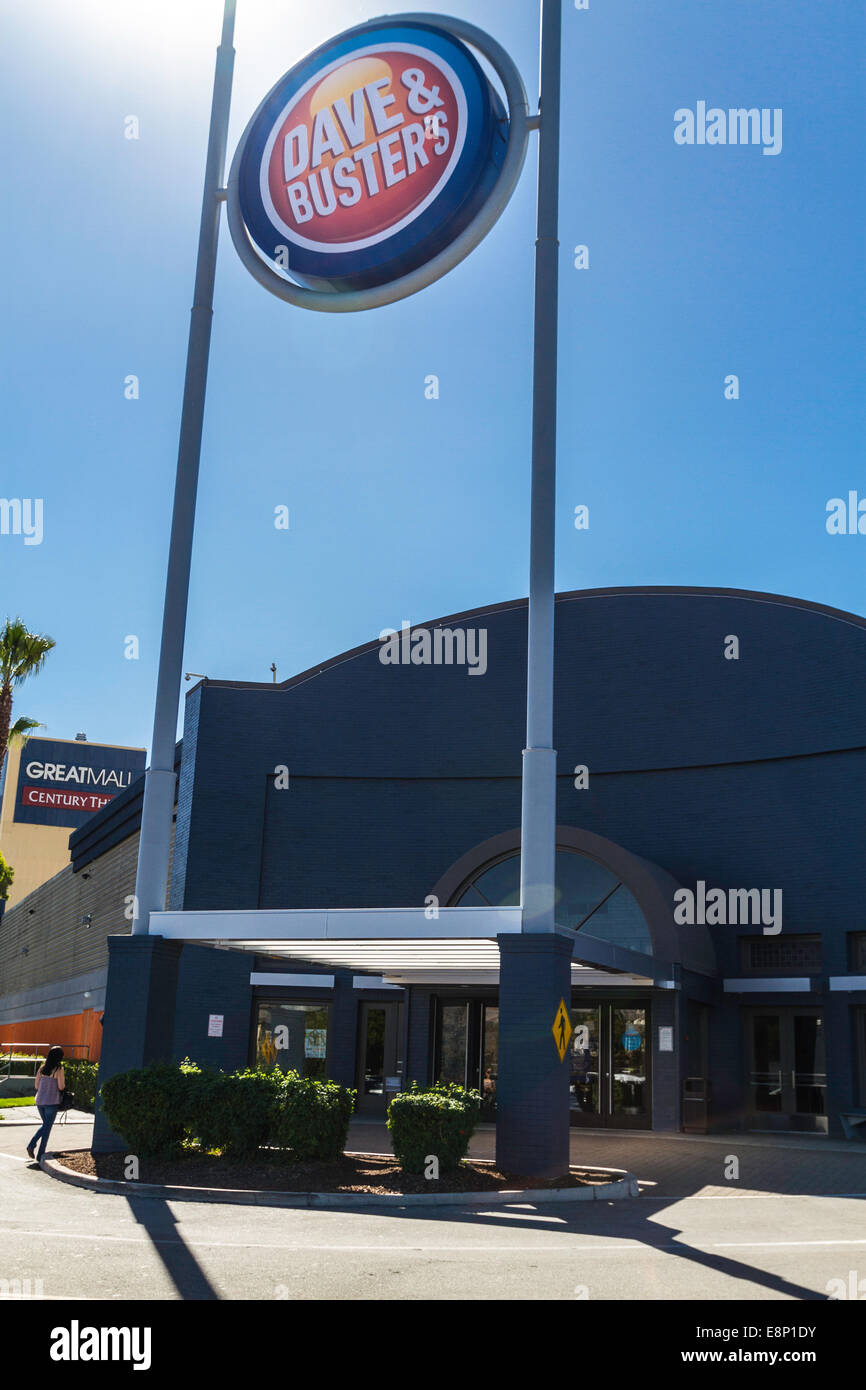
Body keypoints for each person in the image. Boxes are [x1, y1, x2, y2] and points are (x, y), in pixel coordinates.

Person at [27, 1046, 65, 1164]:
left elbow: (36, 1086)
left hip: (40, 1101)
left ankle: (33, 1147)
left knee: (45, 1125)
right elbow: (61, 1086)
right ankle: (38, 1153)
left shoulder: (42, 1068)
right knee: (47, 1128)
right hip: (51, 1102)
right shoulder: (59, 1069)